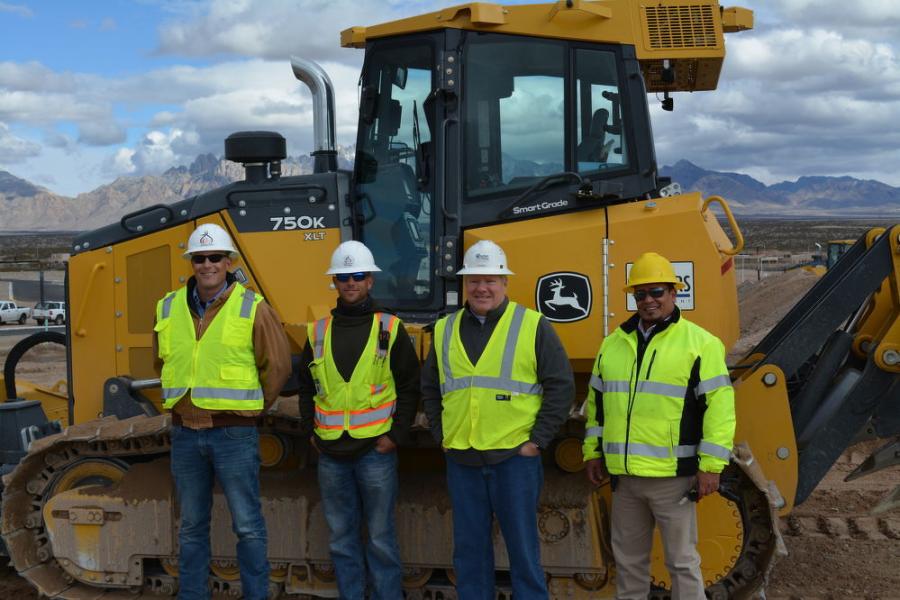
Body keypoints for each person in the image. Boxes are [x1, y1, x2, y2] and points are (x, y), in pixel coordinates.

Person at [422, 239, 574, 599]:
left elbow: (561, 386)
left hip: (513, 460)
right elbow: (430, 387)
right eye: (474, 280)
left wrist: (537, 441)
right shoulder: (444, 329)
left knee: (523, 553)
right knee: (469, 555)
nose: (481, 288)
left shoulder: (532, 325)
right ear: (464, 284)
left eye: (490, 279)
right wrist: (441, 433)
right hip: (463, 459)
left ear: (505, 283)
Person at [582, 252, 735, 600]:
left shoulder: (701, 345)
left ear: (673, 292)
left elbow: (720, 411)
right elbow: (597, 405)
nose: (648, 301)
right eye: (640, 294)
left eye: (656, 292)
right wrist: (592, 452)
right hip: (626, 481)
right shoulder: (614, 344)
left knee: (682, 563)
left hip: (673, 481)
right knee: (629, 563)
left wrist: (711, 467)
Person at [154, 223, 292, 600]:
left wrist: (249, 409)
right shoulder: (168, 306)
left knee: (247, 525)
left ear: (229, 262)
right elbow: (163, 361)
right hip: (185, 432)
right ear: (192, 263)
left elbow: (277, 366)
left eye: (215, 257)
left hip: (233, 435)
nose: (207, 264)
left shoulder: (252, 307)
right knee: (191, 527)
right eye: (200, 258)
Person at [297, 240, 420, 599]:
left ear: (370, 281)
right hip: (332, 454)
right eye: (343, 277)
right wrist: (311, 432)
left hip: (375, 452)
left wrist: (395, 435)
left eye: (357, 276)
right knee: (341, 539)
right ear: (334, 282)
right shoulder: (316, 332)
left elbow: (410, 385)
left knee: (381, 538)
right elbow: (305, 387)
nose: (350, 282)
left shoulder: (390, 328)